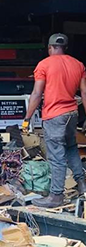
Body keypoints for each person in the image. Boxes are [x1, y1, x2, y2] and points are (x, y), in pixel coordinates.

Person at [23, 33, 86, 208]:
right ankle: (82, 186)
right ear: (65, 48)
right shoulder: (78, 64)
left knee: (56, 156)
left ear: (50, 48)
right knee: (71, 148)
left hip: (54, 115)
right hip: (72, 114)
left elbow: (36, 93)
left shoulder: (44, 64)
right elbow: (84, 92)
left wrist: (27, 118)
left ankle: (56, 196)